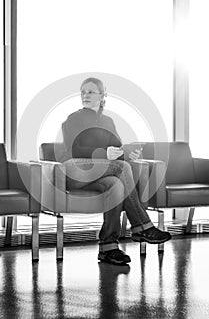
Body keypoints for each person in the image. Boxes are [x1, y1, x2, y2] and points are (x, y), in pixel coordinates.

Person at [61, 77, 171, 265]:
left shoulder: (108, 121)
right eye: (83, 92)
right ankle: (142, 226)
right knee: (123, 168)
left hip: (101, 173)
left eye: (90, 92)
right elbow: (73, 150)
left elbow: (116, 150)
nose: (85, 95)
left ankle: (108, 247)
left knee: (117, 186)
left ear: (103, 95)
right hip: (76, 169)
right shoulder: (74, 119)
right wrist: (105, 153)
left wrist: (128, 153)